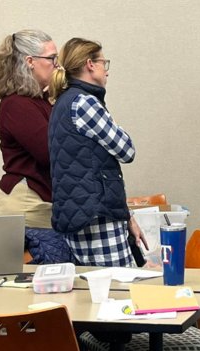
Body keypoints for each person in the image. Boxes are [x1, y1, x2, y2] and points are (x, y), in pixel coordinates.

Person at [47, 38, 147, 267]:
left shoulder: (62, 103)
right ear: (90, 64)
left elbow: (90, 166)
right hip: (97, 218)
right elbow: (126, 150)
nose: (107, 72)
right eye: (104, 63)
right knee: (120, 292)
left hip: (80, 214)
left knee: (93, 294)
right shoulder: (84, 103)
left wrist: (127, 215)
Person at [0, 30, 58, 227]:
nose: (58, 65)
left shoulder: (42, 100)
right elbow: (51, 152)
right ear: (30, 61)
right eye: (52, 59)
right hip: (28, 204)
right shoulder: (17, 105)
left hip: (41, 200)